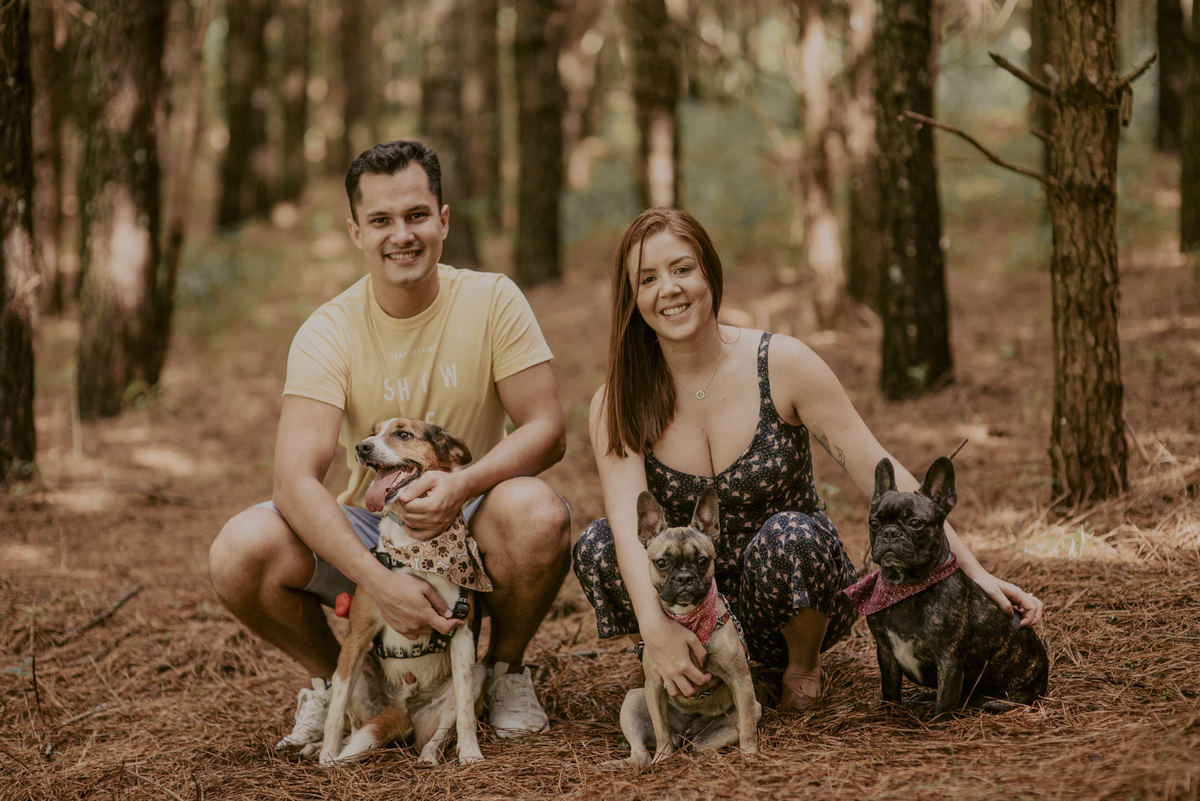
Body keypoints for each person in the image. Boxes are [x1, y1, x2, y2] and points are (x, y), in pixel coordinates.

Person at [572, 208, 1043, 711]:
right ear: (632, 297)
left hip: (793, 595)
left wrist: (976, 573)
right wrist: (655, 629)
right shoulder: (618, 400)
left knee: (791, 534)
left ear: (709, 272)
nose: (669, 289)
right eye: (648, 279)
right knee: (598, 544)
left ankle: (800, 669)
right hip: (690, 608)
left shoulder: (782, 364)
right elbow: (629, 529)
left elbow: (883, 473)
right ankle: (681, 664)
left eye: (682, 269)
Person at [209, 140, 571, 751]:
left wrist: (462, 484)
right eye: (380, 220)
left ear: (443, 220)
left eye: (416, 215)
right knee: (239, 550)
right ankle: (339, 682)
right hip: (374, 526)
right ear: (357, 231)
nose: (401, 235)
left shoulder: (492, 299)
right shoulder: (329, 330)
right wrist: (378, 580)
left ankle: (503, 672)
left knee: (536, 512)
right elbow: (294, 480)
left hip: (472, 516)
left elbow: (547, 428)